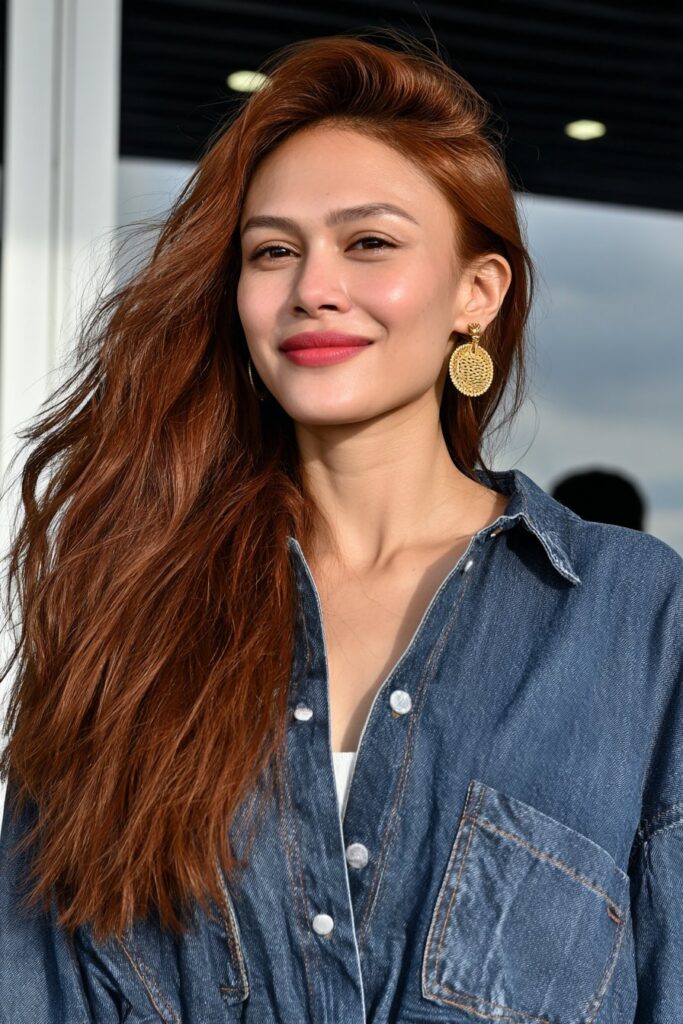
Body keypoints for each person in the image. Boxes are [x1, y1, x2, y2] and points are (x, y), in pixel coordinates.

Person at [0, 27, 681, 1024]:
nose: (312, 286)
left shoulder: (634, 618)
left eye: (368, 242)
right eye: (273, 250)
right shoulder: (129, 618)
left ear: (475, 293)